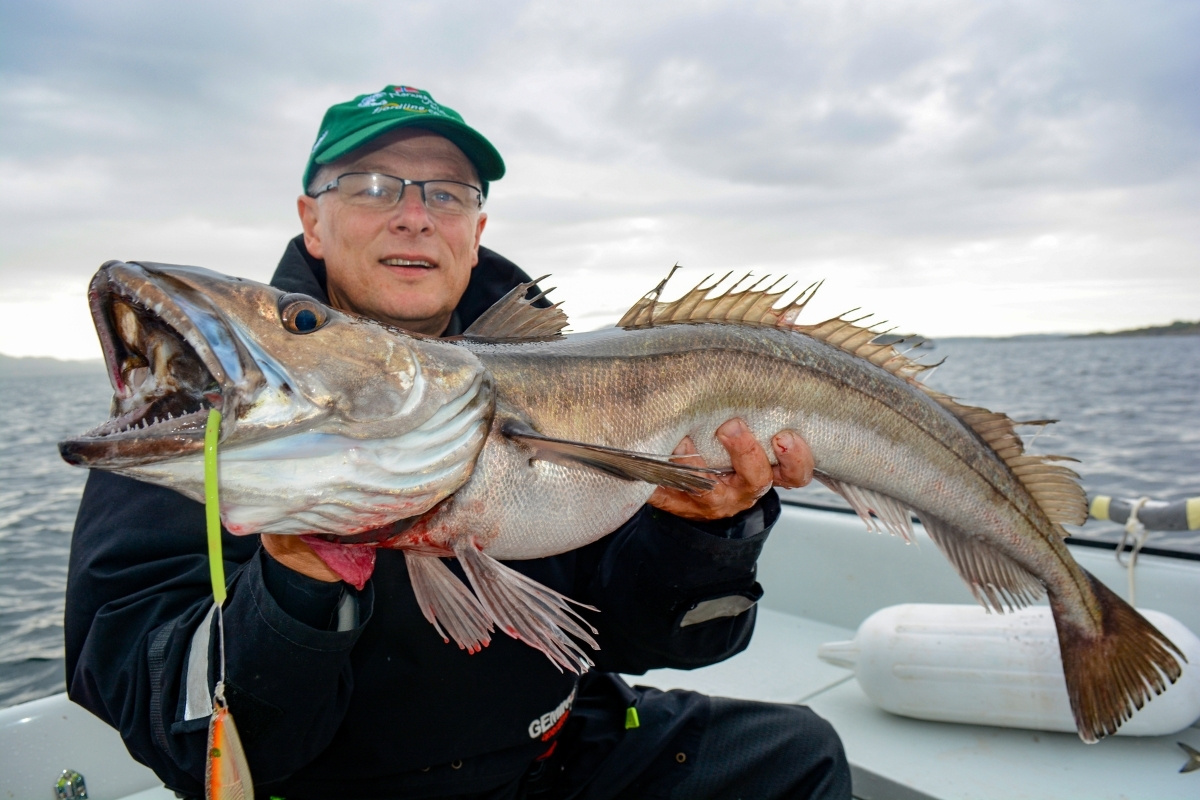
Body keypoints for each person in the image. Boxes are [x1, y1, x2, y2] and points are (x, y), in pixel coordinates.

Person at [65, 85, 851, 799]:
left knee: (798, 756)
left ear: (475, 234)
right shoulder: (198, 423)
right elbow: (183, 731)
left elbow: (660, 641)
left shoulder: (577, 384)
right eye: (372, 186)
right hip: (334, 788)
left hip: (555, 756)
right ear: (312, 221)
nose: (414, 214)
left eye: (447, 194)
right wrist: (298, 583)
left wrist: (705, 531)